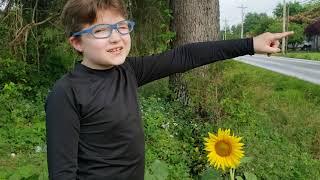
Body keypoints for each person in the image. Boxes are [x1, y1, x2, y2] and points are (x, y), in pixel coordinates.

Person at [45, 0, 293, 179]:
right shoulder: (66, 93)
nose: (116, 38)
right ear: (77, 42)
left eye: (121, 27)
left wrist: (250, 43)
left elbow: (184, 55)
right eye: (100, 30)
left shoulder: (128, 71)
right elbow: (63, 172)